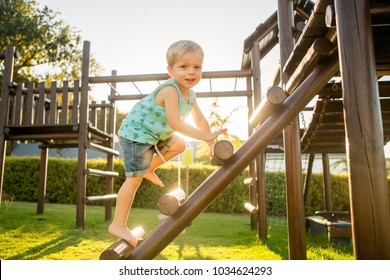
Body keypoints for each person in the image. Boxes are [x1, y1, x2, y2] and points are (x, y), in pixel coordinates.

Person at [108, 40, 227, 247]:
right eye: (184, 67)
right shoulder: (170, 90)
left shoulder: (191, 95)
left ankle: (149, 168)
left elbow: (199, 120)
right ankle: (118, 224)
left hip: (154, 134)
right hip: (136, 133)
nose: (191, 72)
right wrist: (203, 136)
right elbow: (176, 122)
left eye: (196, 67)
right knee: (133, 180)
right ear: (170, 70)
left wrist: (210, 139)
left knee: (179, 145)